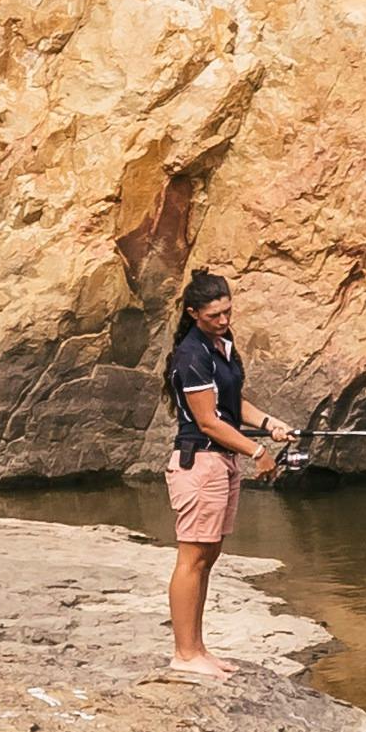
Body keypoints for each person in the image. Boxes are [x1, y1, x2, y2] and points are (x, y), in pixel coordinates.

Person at [155, 270, 287, 674]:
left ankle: (198, 648)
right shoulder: (192, 354)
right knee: (192, 557)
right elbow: (209, 421)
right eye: (215, 315)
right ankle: (184, 655)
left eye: (228, 311)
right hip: (199, 463)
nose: (224, 320)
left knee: (208, 557)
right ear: (194, 314)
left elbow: (233, 401)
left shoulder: (222, 346)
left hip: (221, 463)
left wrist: (269, 423)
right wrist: (258, 451)